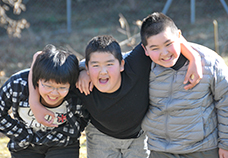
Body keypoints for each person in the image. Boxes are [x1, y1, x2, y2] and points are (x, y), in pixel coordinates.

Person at [29, 35, 202, 158]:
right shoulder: (80, 82)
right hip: (100, 136)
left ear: (121, 65)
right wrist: (34, 102)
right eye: (95, 65)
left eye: (109, 64)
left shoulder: (135, 65)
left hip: (138, 136)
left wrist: (194, 58)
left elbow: (166, 33)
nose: (103, 71)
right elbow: (38, 56)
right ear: (88, 69)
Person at [140, 12, 228, 158]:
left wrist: (226, 144)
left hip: (203, 149)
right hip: (159, 150)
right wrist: (86, 71)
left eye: (168, 44)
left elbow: (225, 103)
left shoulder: (211, 63)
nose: (164, 53)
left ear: (179, 36)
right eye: (155, 48)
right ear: (145, 50)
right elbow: (104, 59)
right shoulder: (140, 64)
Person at [0, 44, 88, 158]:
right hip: (25, 144)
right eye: (47, 86)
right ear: (36, 79)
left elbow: (85, 116)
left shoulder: (76, 92)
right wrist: (21, 134)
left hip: (62, 143)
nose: (54, 93)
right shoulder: (18, 85)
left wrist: (69, 132)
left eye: (62, 88)